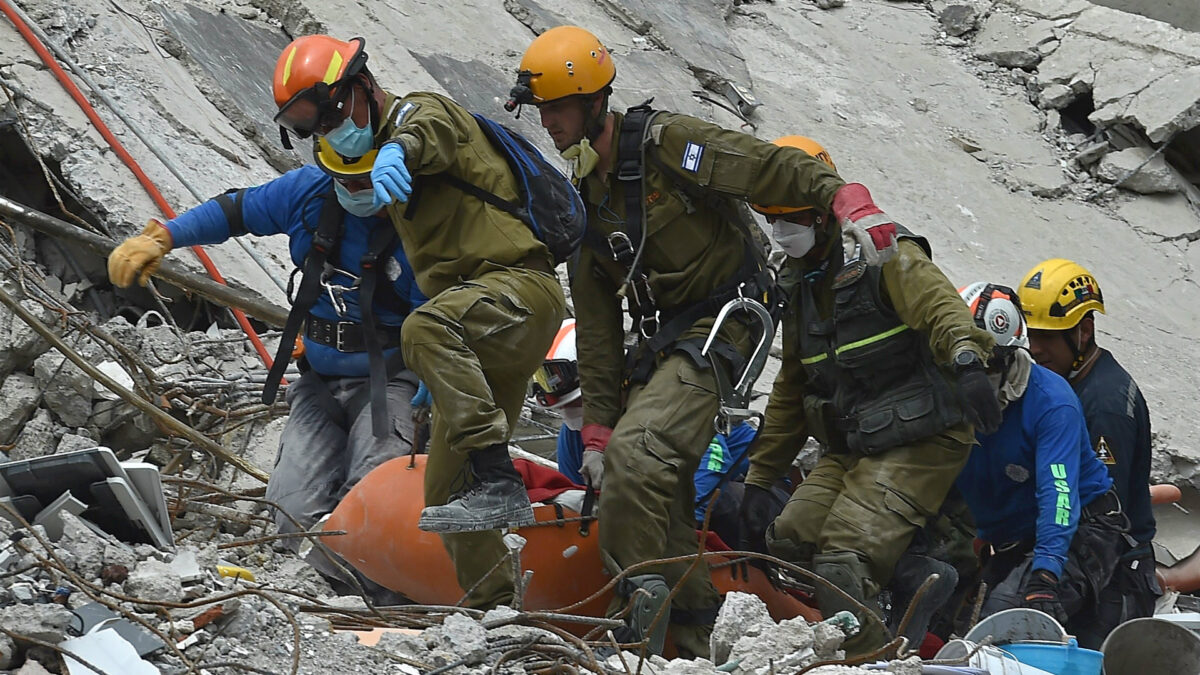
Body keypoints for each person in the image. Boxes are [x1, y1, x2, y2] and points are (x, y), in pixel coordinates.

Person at [512, 26, 905, 658]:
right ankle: (691, 638)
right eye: (542, 110)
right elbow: (598, 321)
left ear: (593, 102)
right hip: (663, 337)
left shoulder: (671, 145)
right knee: (639, 488)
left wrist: (841, 198)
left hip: (727, 321)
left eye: (556, 107)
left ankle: (641, 631)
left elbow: (764, 167)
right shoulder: (589, 191)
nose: (547, 121)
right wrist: (597, 428)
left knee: (640, 460)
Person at [270, 35, 565, 608]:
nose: (329, 134)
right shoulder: (381, 179)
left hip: (518, 291)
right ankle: (498, 609)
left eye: (332, 115)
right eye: (314, 129)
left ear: (363, 87)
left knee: (424, 328)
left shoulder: (419, 114)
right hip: (480, 324)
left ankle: (500, 477)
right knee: (446, 488)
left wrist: (399, 149)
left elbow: (427, 125)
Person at [107, 139, 425, 593]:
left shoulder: (423, 229)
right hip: (319, 381)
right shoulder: (311, 193)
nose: (356, 190)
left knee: (375, 500)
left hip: (390, 383)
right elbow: (237, 211)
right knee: (290, 512)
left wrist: (437, 381)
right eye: (346, 181)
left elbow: (445, 316)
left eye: (364, 181)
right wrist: (165, 236)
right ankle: (318, 595)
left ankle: (379, 602)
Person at [738, 135, 1003, 656]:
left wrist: (969, 361)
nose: (778, 229)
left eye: (787, 215)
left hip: (922, 437)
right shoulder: (798, 284)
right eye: (769, 218)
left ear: (820, 213)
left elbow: (941, 308)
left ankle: (872, 659)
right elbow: (794, 384)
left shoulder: (881, 251)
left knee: (844, 559)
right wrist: (760, 477)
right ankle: (913, 578)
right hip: (856, 442)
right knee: (791, 539)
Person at [953, 281, 1132, 649]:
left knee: (1000, 627)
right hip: (1011, 536)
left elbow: (1059, 493)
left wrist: (1046, 574)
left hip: (1082, 528)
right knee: (946, 617)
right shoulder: (947, 396)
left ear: (1006, 358)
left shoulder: (1051, 402)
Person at [531, 318, 764, 546]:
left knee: (722, 502)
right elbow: (579, 495)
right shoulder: (573, 435)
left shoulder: (666, 402)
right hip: (660, 497)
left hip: (749, 487)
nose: (566, 410)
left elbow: (710, 470)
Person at [1018, 259, 1159, 623]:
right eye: (1030, 335)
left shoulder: (1105, 405)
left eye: (1047, 337)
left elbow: (1102, 514)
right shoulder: (1067, 385)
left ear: (1083, 331)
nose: (1035, 349)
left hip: (1114, 578)